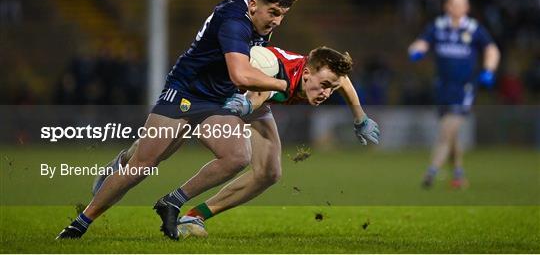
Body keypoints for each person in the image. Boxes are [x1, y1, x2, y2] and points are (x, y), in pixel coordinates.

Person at [57, 0, 295, 240]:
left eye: (282, 15)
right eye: (273, 13)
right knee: (144, 165)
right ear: (253, 5)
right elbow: (240, 73)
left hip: (216, 100)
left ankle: (174, 201)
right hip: (185, 92)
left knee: (237, 155)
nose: (276, 21)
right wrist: (285, 84)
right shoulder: (235, 24)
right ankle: (81, 222)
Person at [97, 45, 380, 238]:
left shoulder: (319, 74)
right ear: (308, 73)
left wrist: (360, 117)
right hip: (214, 94)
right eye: (325, 85)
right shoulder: (276, 68)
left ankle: (194, 216)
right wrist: (247, 105)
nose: (327, 92)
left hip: (249, 102)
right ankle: (121, 165)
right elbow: (260, 89)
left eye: (331, 86)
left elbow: (343, 82)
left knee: (269, 172)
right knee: (160, 151)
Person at [408, 0, 500, 189]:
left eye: (462, 4)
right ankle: (458, 173)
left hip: (465, 88)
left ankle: (431, 171)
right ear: (447, 6)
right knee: (453, 134)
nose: (458, 8)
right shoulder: (438, 27)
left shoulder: (474, 29)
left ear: (467, 7)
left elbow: (492, 49)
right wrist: (416, 51)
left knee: (446, 130)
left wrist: (489, 70)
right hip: (442, 87)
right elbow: (421, 43)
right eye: (454, 4)